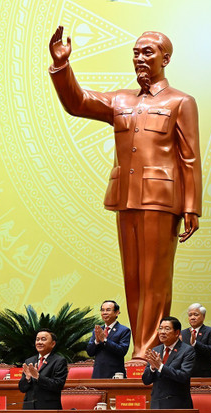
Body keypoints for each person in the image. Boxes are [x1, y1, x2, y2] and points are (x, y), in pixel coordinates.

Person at [49, 27, 201, 358]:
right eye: (136, 52)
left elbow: (189, 157)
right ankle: (143, 347)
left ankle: (149, 349)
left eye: (148, 52)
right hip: (126, 198)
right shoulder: (121, 100)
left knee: (154, 279)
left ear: (166, 58)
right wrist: (62, 67)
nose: (140, 58)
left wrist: (192, 206)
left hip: (161, 200)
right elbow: (78, 102)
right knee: (133, 278)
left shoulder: (181, 102)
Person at [141, 317, 195, 409]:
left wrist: (161, 366)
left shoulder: (187, 351)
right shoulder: (156, 350)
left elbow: (184, 376)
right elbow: (146, 381)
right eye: (160, 328)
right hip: (156, 404)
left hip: (177, 405)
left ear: (177, 333)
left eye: (167, 329)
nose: (162, 332)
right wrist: (152, 368)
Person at [18, 329, 68, 410]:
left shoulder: (59, 361)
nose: (39, 342)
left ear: (53, 344)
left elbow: (58, 385)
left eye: (43, 339)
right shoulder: (29, 361)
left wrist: (38, 377)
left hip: (48, 409)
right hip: (29, 409)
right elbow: (22, 388)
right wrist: (27, 378)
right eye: (37, 339)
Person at [87, 300, 132, 378]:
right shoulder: (97, 330)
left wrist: (105, 340)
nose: (104, 313)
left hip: (115, 374)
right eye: (102, 310)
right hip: (98, 374)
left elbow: (122, 350)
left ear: (117, 312)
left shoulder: (124, 330)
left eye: (108, 310)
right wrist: (97, 341)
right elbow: (90, 352)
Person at [181, 303, 211, 378]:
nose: (192, 317)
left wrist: (195, 343)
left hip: (204, 376)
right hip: (186, 375)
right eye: (190, 315)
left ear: (203, 316)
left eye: (196, 314)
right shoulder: (182, 333)